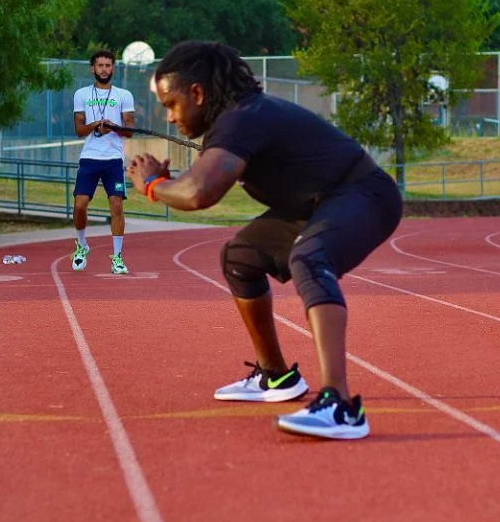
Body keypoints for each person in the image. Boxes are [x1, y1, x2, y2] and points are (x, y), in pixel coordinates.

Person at [127, 40, 403, 440]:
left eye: (171, 104)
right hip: (319, 203)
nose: (169, 117)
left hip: (365, 195)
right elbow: (193, 184)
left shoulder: (243, 119)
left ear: (198, 94)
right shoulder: (235, 121)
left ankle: (341, 406)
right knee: (240, 256)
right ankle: (275, 377)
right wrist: (163, 183)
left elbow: (199, 193)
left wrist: (152, 185)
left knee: (309, 258)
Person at [71, 49, 135, 274]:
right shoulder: (81, 94)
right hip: (89, 158)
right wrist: (96, 125)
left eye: (108, 66)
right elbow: (79, 130)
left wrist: (113, 127)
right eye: (100, 66)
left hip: (113, 160)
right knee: (79, 205)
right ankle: (81, 246)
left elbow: (129, 129)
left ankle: (117, 257)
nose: (104, 69)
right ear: (93, 69)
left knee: (116, 205)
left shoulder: (123, 95)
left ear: (113, 69)